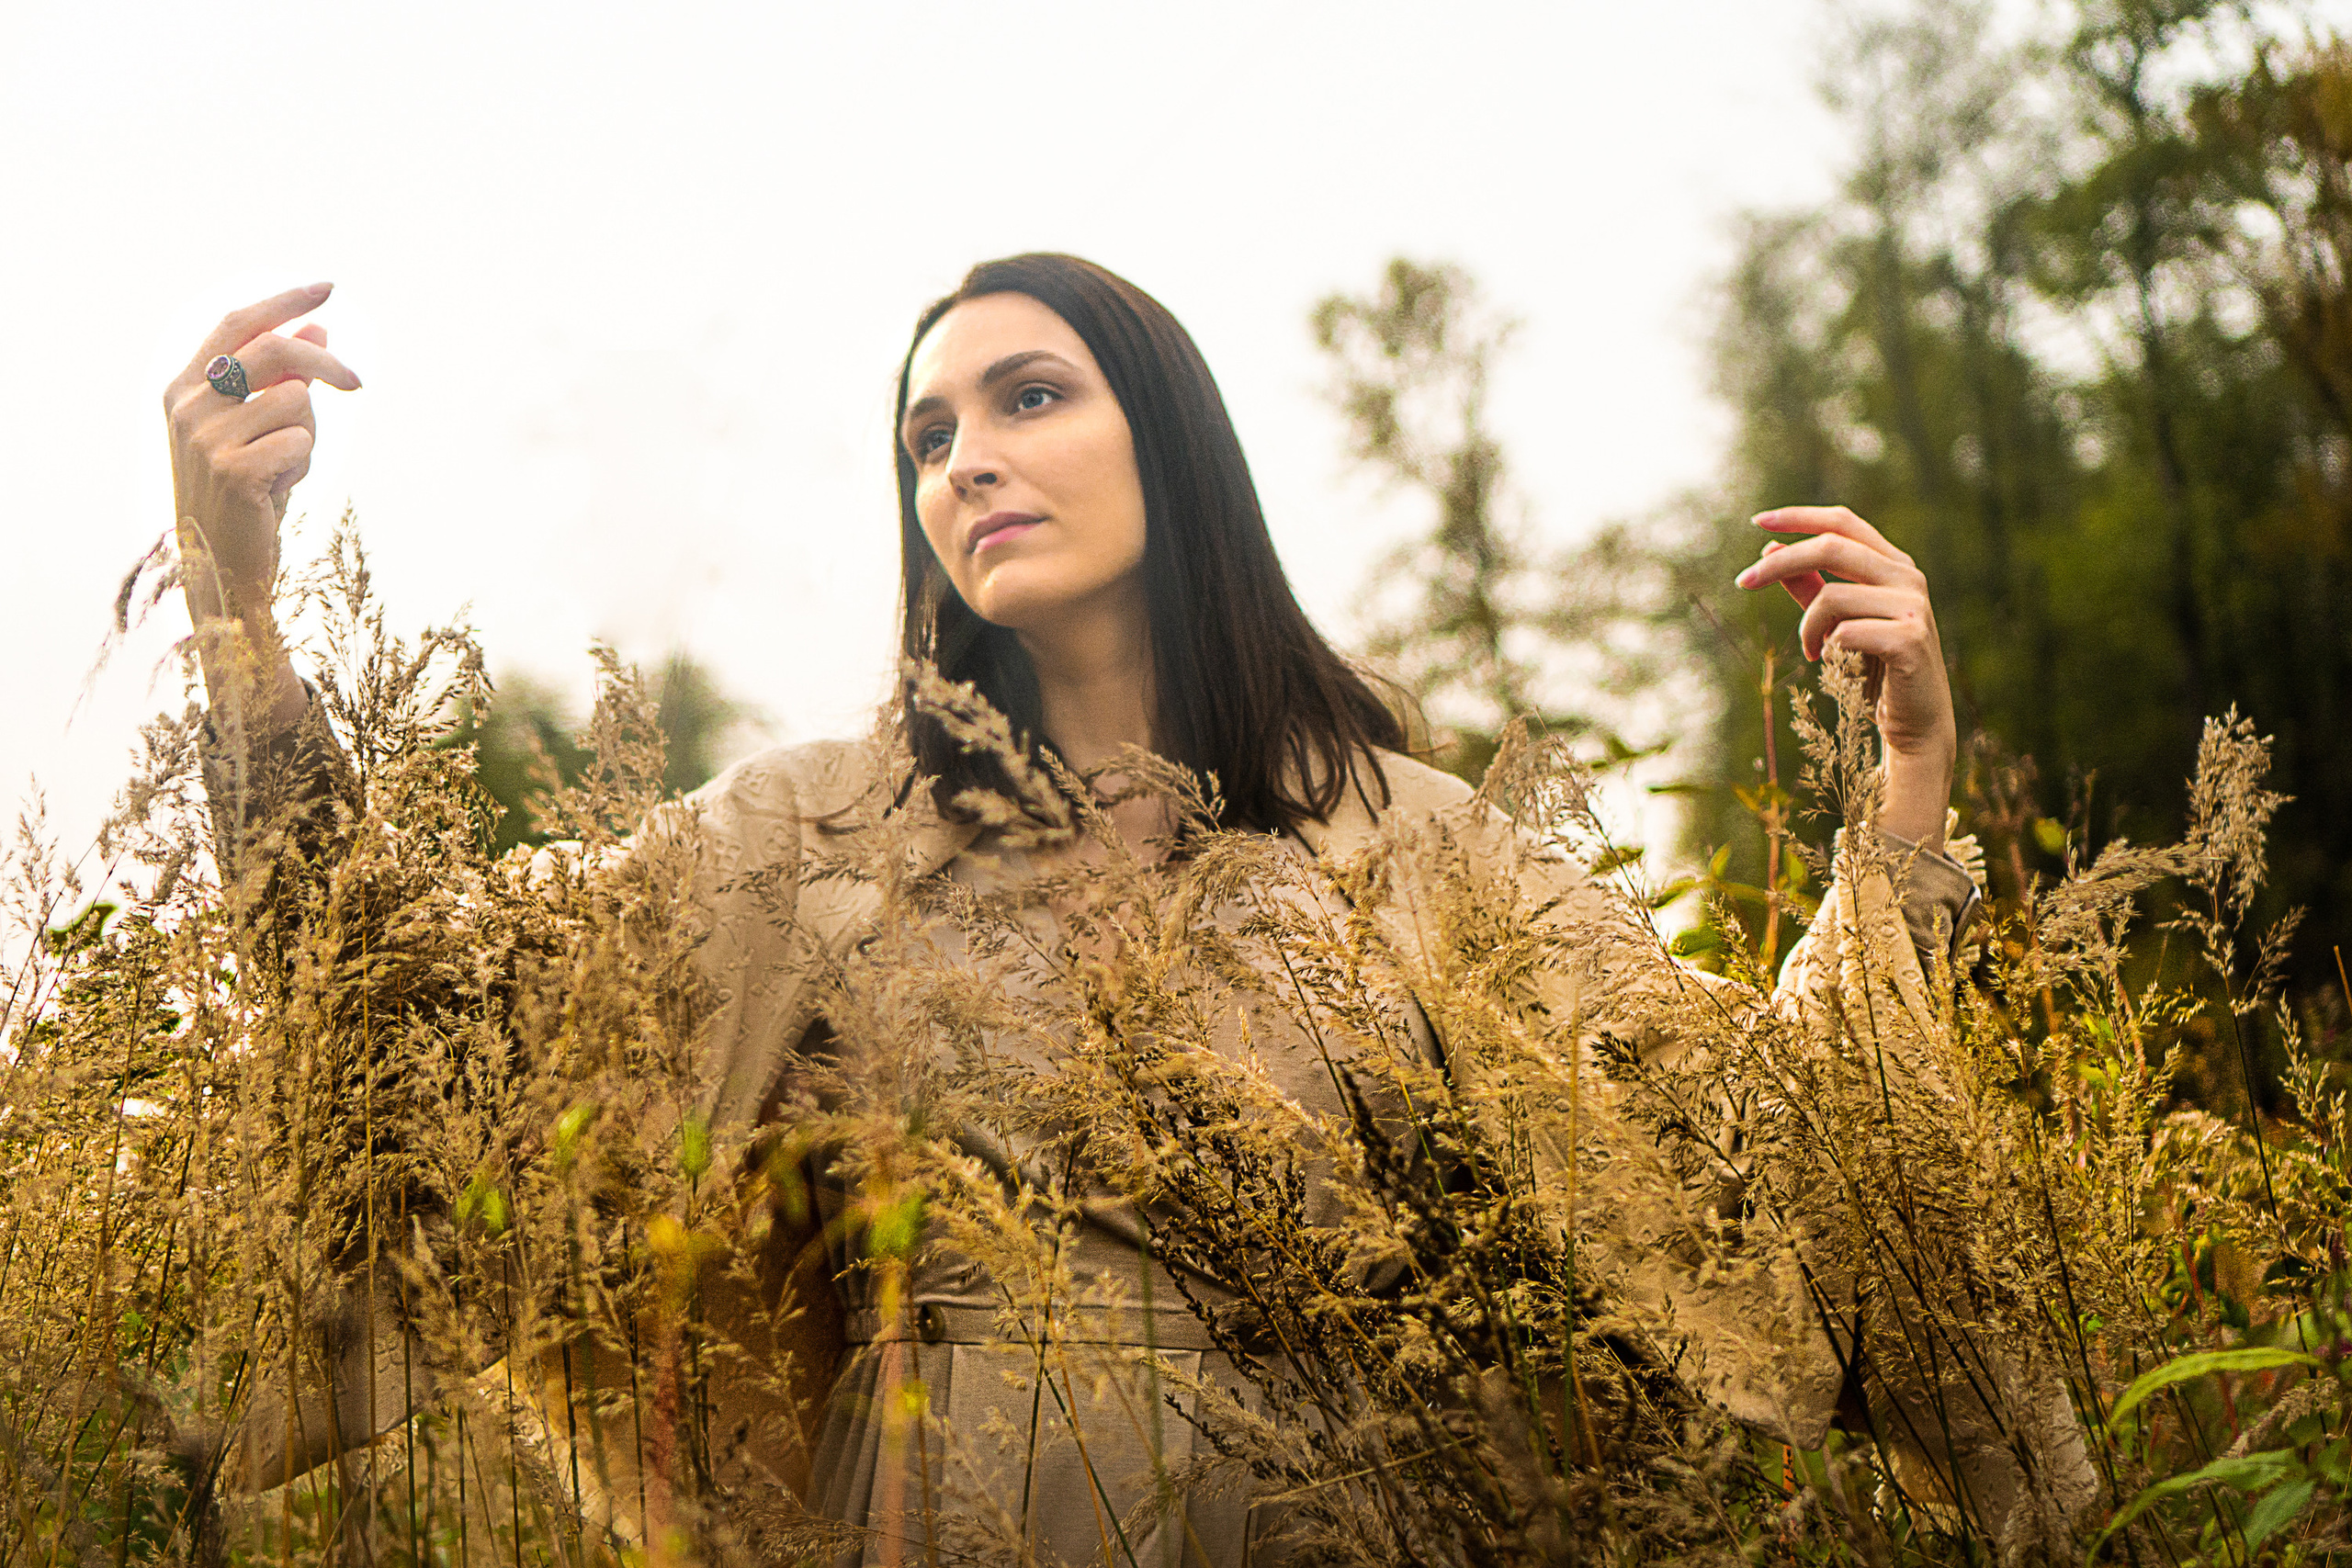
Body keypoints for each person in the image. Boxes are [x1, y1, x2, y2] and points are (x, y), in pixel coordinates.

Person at [166, 257, 2086, 1564]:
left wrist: (1901, 785)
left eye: (1024, 395)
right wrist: (235, 589)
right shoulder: (805, 842)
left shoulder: (1418, 849)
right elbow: (408, 1020)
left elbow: (1748, 1146)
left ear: (1163, 439)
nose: (965, 456)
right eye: (926, 436)